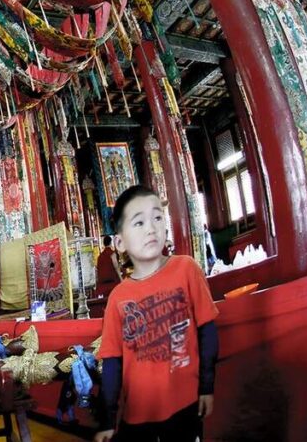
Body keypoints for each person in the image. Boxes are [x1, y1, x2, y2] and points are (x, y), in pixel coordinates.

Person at [95, 185, 219, 442]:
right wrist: (107, 420)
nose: (151, 228)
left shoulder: (187, 269)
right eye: (139, 223)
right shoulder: (118, 298)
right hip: (138, 416)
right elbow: (112, 364)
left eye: (157, 217)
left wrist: (207, 386)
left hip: (186, 404)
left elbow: (207, 331)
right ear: (119, 242)